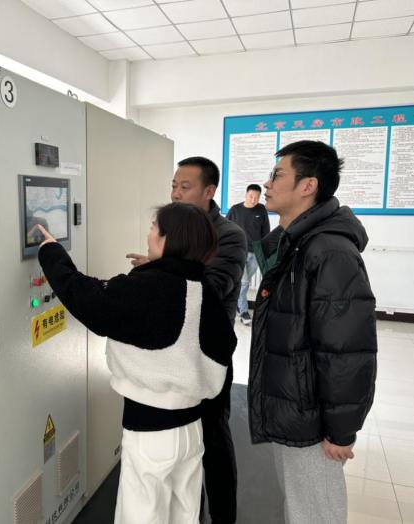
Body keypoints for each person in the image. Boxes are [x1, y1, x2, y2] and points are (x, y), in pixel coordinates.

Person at [36, 202, 237, 524]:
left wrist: (51, 251)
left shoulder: (149, 288)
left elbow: (87, 297)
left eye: (154, 227)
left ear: (168, 239)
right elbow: (223, 346)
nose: (148, 234)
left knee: (141, 515)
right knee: (183, 514)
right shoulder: (203, 290)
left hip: (151, 434)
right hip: (191, 431)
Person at [248, 140, 377, 524]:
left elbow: (346, 350)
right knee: (300, 505)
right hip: (292, 406)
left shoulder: (328, 252)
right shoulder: (295, 245)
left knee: (314, 512)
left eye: (277, 175)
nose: (267, 184)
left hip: (311, 419)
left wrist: (340, 431)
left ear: (308, 185)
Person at [127, 157, 246, 524]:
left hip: (206, 354)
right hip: (172, 353)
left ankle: (223, 517)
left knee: (213, 437)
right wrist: (158, 268)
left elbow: (213, 286)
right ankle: (190, 513)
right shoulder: (177, 227)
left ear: (209, 191)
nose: (176, 193)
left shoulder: (229, 235)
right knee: (184, 446)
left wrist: (159, 269)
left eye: (185, 187)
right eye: (174, 186)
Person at [227, 184, 270, 326]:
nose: (253, 200)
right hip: (238, 252)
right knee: (244, 282)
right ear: (246, 194)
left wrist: (264, 252)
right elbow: (226, 230)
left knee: (242, 283)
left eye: (257, 198)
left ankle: (236, 304)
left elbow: (266, 232)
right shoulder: (235, 210)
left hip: (255, 253)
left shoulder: (261, 209)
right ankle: (244, 312)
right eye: (251, 196)